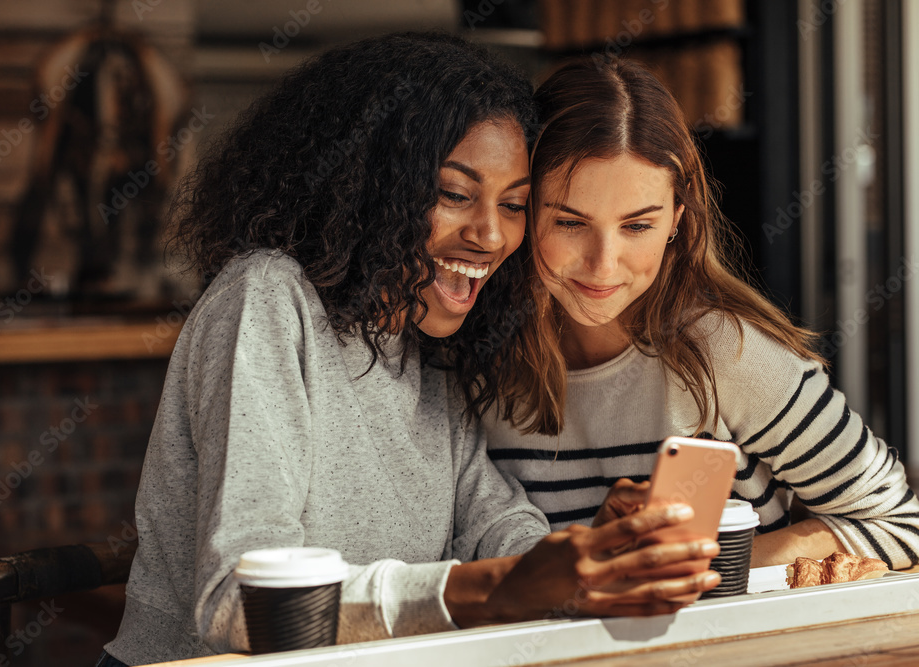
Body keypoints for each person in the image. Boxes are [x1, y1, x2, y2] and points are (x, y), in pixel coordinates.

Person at [98, 35, 721, 667]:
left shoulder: (429, 342)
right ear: (368, 185)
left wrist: (594, 554)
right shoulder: (267, 300)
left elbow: (493, 529)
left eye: (513, 205)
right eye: (454, 194)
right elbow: (242, 601)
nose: (489, 233)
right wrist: (495, 588)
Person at [483, 58, 919, 572]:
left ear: (676, 221)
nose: (604, 264)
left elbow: (902, 525)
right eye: (570, 221)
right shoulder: (475, 365)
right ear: (522, 209)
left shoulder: (726, 353)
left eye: (637, 226)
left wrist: (722, 565)